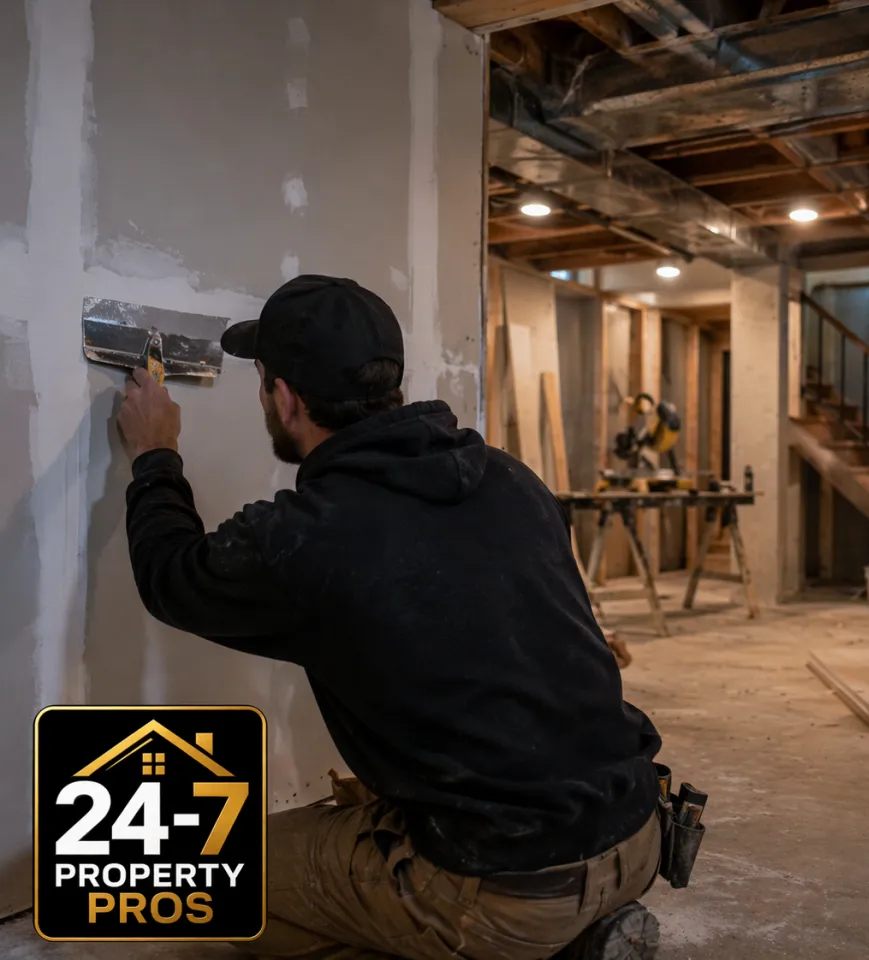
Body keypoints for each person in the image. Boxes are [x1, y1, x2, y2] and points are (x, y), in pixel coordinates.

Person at [116, 275, 665, 960]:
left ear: (284, 397)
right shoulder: (507, 477)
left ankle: (489, 943)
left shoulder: (310, 535)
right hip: (636, 834)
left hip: (505, 887)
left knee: (183, 867)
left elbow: (172, 578)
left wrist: (154, 454)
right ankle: (570, 932)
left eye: (263, 381)